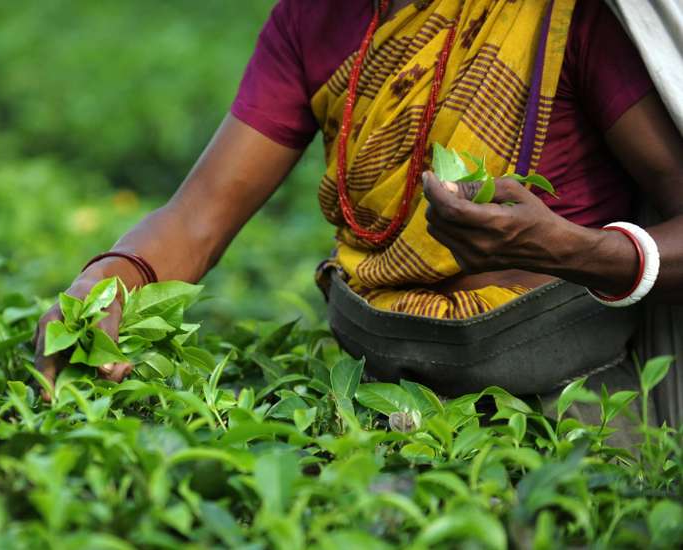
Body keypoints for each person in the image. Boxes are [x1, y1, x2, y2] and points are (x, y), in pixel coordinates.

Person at [35, 0, 683, 426]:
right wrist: (103, 284)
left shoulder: (566, 15)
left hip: (563, 408)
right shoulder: (316, 18)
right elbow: (197, 218)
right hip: (371, 397)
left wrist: (571, 250)